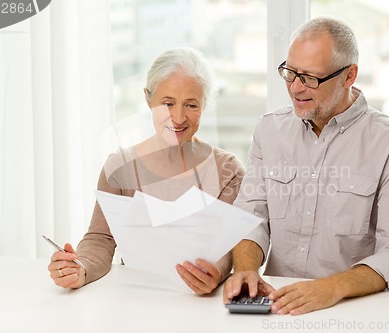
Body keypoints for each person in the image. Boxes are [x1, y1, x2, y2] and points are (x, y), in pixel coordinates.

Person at [223, 16, 389, 315]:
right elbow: (251, 215)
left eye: (310, 78)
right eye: (290, 73)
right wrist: (245, 269)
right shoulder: (268, 131)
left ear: (349, 75)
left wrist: (332, 287)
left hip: (353, 310)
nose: (295, 88)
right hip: (278, 307)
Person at [47, 47, 245, 295]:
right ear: (148, 100)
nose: (178, 117)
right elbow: (101, 238)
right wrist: (80, 268)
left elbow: (230, 247)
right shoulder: (119, 167)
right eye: (168, 103)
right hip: (136, 297)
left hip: (200, 303)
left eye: (191, 105)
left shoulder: (228, 171)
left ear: (205, 105)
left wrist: (214, 273)